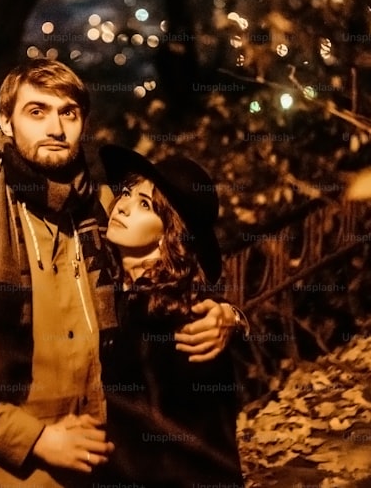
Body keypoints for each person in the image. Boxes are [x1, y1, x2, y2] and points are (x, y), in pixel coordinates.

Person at [0, 59, 246, 487]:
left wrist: (227, 314)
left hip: (104, 465)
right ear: (5, 121)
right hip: (10, 475)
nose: (55, 128)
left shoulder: (98, 210)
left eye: (68, 112)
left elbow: (165, 268)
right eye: (36, 111)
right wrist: (35, 439)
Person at [95, 145, 246, 487]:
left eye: (145, 205)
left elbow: (202, 448)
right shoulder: (117, 290)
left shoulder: (180, 321)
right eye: (128, 194)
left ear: (168, 235)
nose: (123, 207)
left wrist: (232, 318)